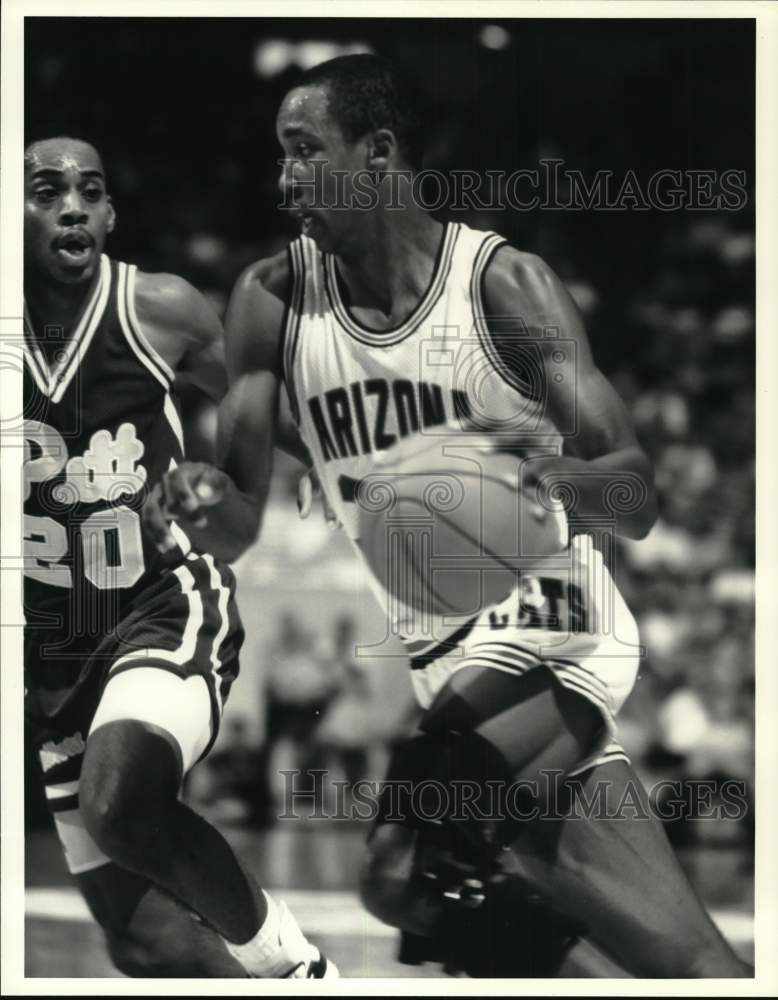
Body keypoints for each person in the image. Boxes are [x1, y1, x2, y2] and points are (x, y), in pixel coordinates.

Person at [143, 55, 749, 977]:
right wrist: (197, 500)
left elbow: (638, 495)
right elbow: (240, 524)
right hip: (447, 667)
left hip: (553, 630)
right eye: (280, 155)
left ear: (380, 152)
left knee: (402, 865)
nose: (285, 178)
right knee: (695, 967)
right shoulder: (270, 301)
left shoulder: (505, 287)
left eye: (305, 150)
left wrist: (531, 485)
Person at [22, 136, 337, 978]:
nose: (73, 207)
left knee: (120, 800)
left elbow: (256, 397)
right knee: (143, 942)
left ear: (111, 215)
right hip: (50, 650)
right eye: (47, 192)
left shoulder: (156, 307)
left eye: (90, 191)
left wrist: (327, 459)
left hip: (159, 603)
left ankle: (300, 971)